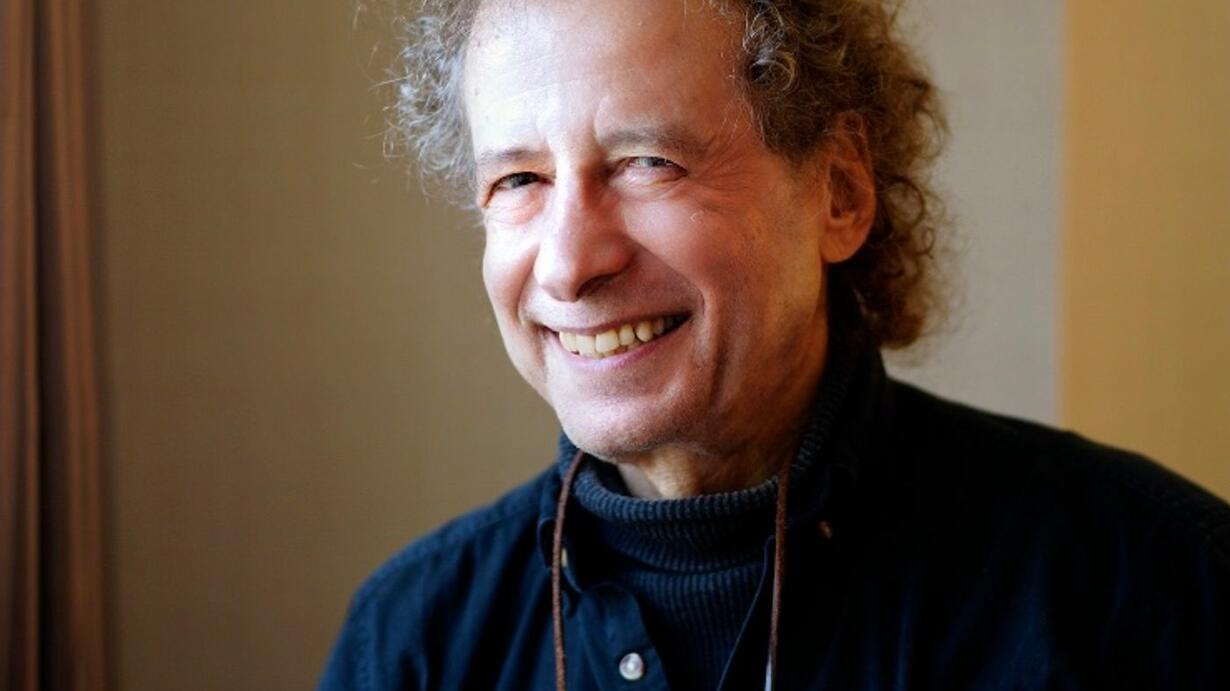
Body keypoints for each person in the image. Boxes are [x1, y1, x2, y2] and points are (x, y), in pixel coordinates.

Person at [320, 0, 1230, 689]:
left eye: (647, 163)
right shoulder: (411, 641)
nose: (567, 264)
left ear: (840, 193)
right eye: (519, 180)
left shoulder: (1154, 590)